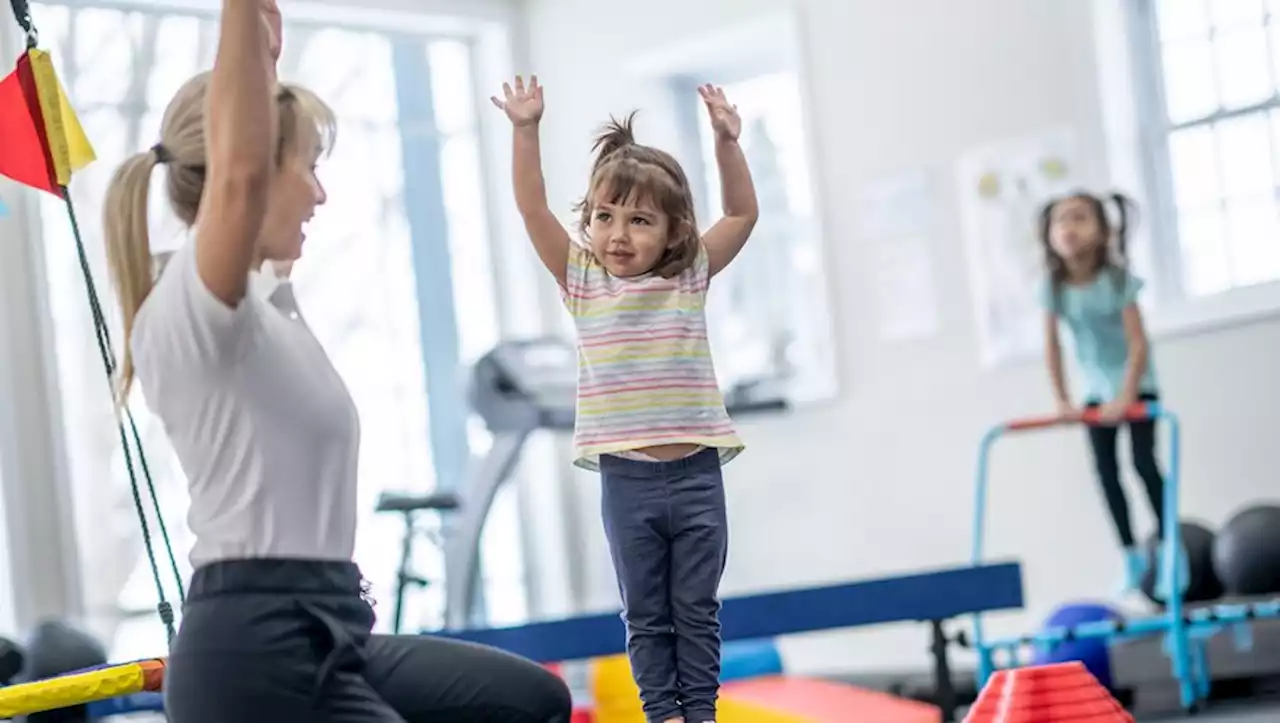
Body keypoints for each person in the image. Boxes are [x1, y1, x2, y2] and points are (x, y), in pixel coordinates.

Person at [101, 1, 572, 721]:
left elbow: (249, 155)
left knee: (527, 700)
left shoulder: (264, 306)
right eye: (306, 169)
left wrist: (264, 58)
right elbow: (241, 170)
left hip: (331, 623)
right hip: (256, 649)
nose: (320, 193)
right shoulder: (194, 310)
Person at [491, 75, 758, 723]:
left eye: (639, 220)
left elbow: (742, 213)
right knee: (645, 609)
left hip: (696, 475)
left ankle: (699, 712)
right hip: (627, 478)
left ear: (672, 232)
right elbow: (532, 209)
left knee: (696, 606)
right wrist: (526, 131)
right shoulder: (583, 279)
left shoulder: (688, 272)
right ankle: (660, 712)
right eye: (605, 216)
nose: (618, 233)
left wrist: (726, 143)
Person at [1039, 190, 1176, 597]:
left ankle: (1171, 551)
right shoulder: (1054, 287)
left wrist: (1127, 397)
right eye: (1061, 220)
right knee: (1105, 471)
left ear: (1102, 231)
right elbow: (1053, 347)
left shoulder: (1117, 281)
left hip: (1137, 386)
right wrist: (1062, 400)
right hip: (1096, 392)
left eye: (1080, 218)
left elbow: (1138, 344)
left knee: (1143, 464)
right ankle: (1131, 555)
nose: (1069, 228)